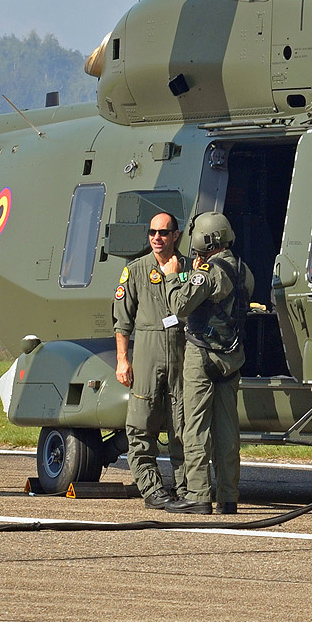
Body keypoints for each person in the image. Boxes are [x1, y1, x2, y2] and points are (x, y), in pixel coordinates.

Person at [165, 211, 254, 516]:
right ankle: (228, 497)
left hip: (202, 355)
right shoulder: (244, 272)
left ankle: (199, 494)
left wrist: (175, 276)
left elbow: (178, 305)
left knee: (196, 427)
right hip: (232, 358)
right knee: (228, 431)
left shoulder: (206, 274)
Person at [113, 212, 188, 510]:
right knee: (141, 424)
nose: (157, 238)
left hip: (180, 356)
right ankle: (152, 489)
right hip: (146, 353)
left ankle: (186, 490)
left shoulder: (186, 269)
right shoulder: (135, 271)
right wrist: (123, 359)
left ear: (175, 235)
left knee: (182, 425)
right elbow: (122, 322)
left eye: (163, 232)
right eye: (152, 233)